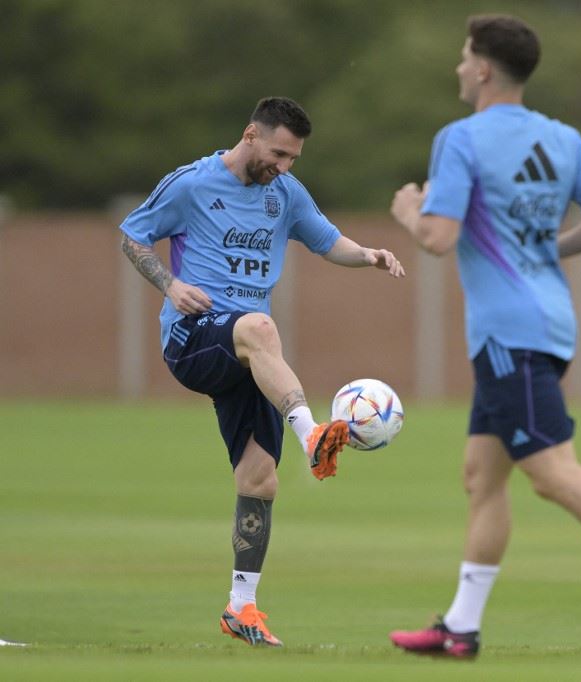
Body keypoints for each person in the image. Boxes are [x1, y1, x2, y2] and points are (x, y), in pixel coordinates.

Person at [388, 14, 581, 659]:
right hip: (549, 322)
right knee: (482, 476)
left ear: (483, 69)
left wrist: (408, 212)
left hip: (509, 332)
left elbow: (438, 239)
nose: (458, 67)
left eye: (464, 56)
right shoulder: (562, 138)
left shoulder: (460, 138)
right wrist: (546, 249)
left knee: (551, 473)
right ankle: (461, 628)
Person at [119, 96, 405, 647]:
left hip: (250, 354)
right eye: (279, 154)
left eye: (293, 158)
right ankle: (312, 434)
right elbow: (133, 234)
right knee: (259, 327)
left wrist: (368, 254)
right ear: (251, 135)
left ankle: (241, 607)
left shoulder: (285, 193)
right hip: (193, 338)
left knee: (259, 479)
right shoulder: (192, 184)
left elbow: (327, 241)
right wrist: (171, 285)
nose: (285, 166)